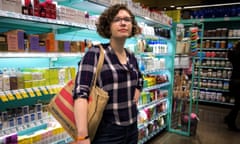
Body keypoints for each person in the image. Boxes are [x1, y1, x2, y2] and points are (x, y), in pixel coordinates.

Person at [72, 4, 143, 144]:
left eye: (127, 20)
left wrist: (139, 88)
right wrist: (82, 136)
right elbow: (80, 94)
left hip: (132, 128)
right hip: (107, 132)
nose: (123, 23)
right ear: (107, 26)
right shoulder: (95, 54)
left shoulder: (130, 55)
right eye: (117, 19)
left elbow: (139, 78)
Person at [224, 41, 240, 132]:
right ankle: (230, 121)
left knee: (237, 104)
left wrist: (232, 47)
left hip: (233, 81)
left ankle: (229, 118)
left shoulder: (234, 54)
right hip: (239, 82)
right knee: (237, 104)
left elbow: (229, 54)